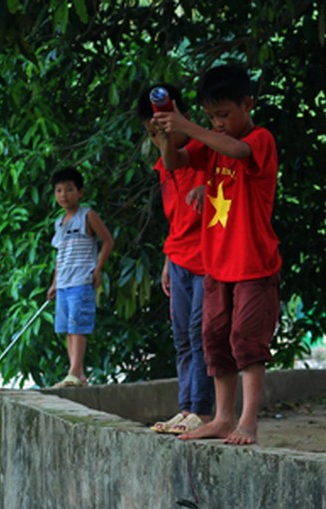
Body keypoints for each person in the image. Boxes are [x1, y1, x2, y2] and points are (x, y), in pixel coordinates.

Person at [153, 64, 280, 445]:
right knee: (214, 338)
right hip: (217, 265)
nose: (217, 124)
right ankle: (222, 418)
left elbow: (237, 150)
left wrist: (190, 127)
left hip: (253, 264)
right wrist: (165, 135)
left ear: (247, 104)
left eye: (224, 115)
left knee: (247, 340)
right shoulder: (211, 145)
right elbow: (175, 162)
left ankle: (248, 422)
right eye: (211, 117)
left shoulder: (259, 139)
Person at [137, 84, 212, 435]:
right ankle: (186, 409)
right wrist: (168, 258)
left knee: (201, 334)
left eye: (162, 129)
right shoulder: (164, 163)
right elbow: (175, 218)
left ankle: (202, 409)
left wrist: (171, 134)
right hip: (179, 258)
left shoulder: (206, 149)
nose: (159, 139)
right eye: (152, 134)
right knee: (182, 336)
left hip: (207, 260)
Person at [46, 166, 114, 388]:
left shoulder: (88, 215)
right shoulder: (59, 223)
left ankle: (74, 372)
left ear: (80, 191)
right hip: (64, 284)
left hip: (81, 281)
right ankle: (77, 374)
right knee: (67, 328)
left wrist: (98, 269)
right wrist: (54, 284)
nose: (63, 195)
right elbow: (60, 256)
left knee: (78, 326)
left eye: (69, 189)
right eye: (58, 190)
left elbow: (108, 241)